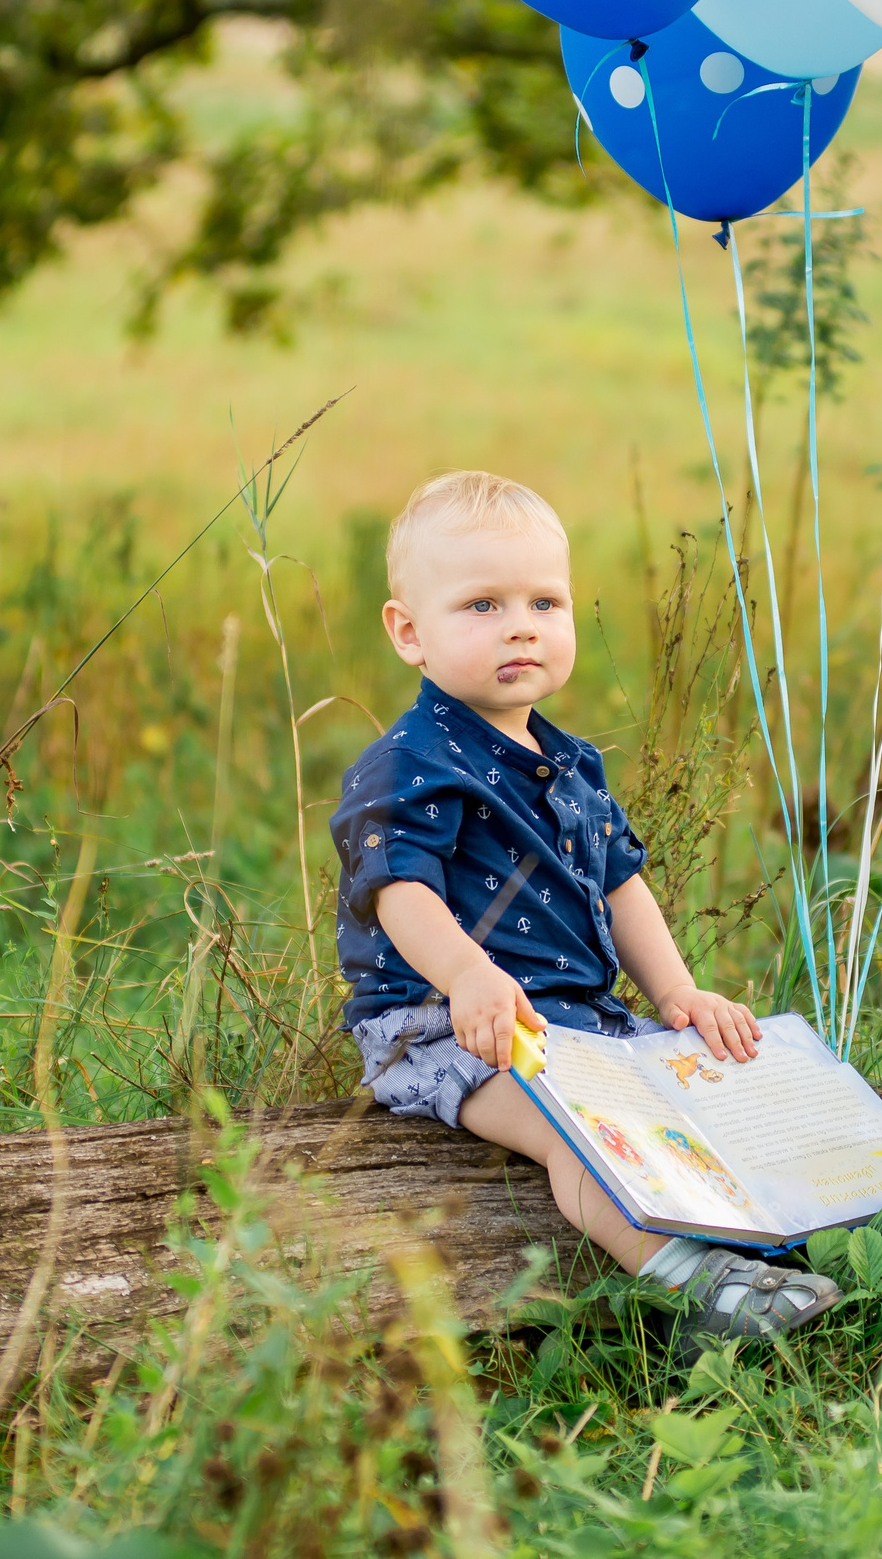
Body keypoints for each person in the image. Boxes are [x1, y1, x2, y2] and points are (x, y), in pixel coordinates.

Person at [329, 471, 842, 1347]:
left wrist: (677, 992)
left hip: (574, 1018)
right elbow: (399, 889)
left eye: (545, 602)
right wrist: (467, 975)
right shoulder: (410, 762)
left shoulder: (570, 761)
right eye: (483, 605)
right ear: (409, 632)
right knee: (589, 1129)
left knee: (706, 1088)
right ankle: (697, 1288)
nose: (521, 625)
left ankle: (827, 1228)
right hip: (444, 1023)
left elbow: (619, 882)